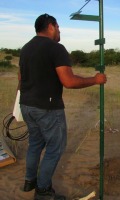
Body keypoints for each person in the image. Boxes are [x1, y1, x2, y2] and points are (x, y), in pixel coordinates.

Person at [19, 13, 107, 200]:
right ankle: (43, 191)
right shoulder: (56, 48)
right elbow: (69, 81)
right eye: (58, 27)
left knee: (35, 143)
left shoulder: (26, 48)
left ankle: (30, 180)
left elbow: (20, 78)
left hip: (26, 105)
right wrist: (95, 79)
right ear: (51, 26)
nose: (60, 30)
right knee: (55, 147)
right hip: (48, 108)